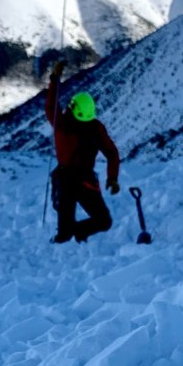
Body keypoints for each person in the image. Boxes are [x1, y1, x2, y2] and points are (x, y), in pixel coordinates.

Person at [45, 61, 121, 243]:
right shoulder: (95, 128)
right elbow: (111, 152)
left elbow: (50, 106)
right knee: (103, 221)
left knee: (66, 233)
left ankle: (71, 236)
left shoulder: (62, 124)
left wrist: (55, 79)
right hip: (83, 180)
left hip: (67, 180)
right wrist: (112, 177)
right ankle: (77, 234)